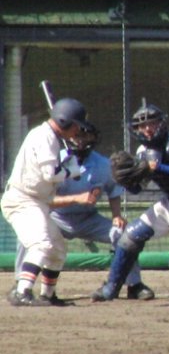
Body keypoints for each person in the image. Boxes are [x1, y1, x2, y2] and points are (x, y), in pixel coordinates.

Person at [11, 120, 154, 301]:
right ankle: (20, 283)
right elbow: (47, 200)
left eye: (86, 135)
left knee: (124, 234)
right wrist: (78, 198)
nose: (81, 140)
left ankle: (134, 285)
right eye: (77, 135)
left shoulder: (102, 164)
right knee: (29, 236)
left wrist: (117, 215)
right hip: (56, 217)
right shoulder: (55, 160)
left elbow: (113, 192)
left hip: (87, 218)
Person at [90, 100, 169, 302]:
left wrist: (155, 168)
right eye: (142, 125)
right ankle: (111, 288)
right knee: (128, 238)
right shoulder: (143, 152)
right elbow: (138, 189)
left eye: (152, 123)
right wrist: (123, 180)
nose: (147, 129)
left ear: (162, 123)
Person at [2, 98, 95, 306]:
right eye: (76, 126)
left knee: (57, 248)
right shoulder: (44, 136)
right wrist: (71, 170)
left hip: (37, 202)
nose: (78, 131)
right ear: (64, 122)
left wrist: (66, 160)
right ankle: (22, 292)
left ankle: (48, 294)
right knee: (41, 244)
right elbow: (50, 173)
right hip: (22, 200)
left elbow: (51, 170)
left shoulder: (51, 138)